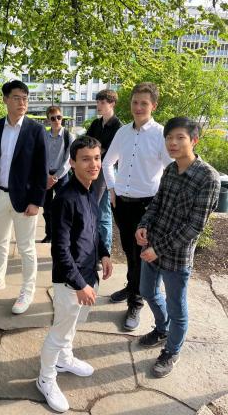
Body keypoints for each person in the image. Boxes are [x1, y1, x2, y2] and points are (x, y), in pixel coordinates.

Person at [136, 117, 220, 378]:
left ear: (194, 140)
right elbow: (157, 203)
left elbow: (194, 227)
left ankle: (172, 350)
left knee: (177, 306)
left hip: (176, 255)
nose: (172, 143)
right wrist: (143, 224)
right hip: (152, 245)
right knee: (147, 291)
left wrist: (157, 249)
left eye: (180, 137)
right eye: (169, 138)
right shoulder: (171, 169)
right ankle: (162, 329)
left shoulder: (208, 178)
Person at [37, 136, 113, 413]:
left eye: (96, 158)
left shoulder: (91, 191)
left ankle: (64, 359)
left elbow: (92, 231)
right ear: (72, 163)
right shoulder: (65, 199)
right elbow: (60, 249)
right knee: (59, 331)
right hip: (71, 281)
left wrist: (104, 253)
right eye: (86, 159)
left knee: (72, 327)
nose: (93, 164)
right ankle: (45, 378)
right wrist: (80, 284)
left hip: (87, 275)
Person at [0, 80, 48, 315]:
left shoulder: (36, 130)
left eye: (25, 98)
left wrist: (37, 201)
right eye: (17, 97)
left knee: (26, 248)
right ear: (5, 99)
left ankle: (27, 290)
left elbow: (41, 168)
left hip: (25, 200)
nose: (22, 102)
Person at [102, 82, 172, 331]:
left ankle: (136, 303)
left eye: (144, 103)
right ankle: (132, 287)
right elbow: (107, 162)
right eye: (135, 102)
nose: (138, 107)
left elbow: (170, 172)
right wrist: (111, 189)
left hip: (147, 207)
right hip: (122, 204)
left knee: (141, 257)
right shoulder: (122, 132)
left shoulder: (161, 135)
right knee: (130, 253)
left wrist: (161, 204)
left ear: (153, 105)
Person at [86, 89, 123, 252]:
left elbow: (112, 154)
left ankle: (105, 252)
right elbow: (87, 143)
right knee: (91, 210)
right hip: (92, 172)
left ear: (112, 103)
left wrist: (98, 151)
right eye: (97, 102)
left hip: (107, 175)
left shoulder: (118, 126)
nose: (98, 106)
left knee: (103, 214)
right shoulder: (96, 123)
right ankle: (92, 248)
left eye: (102, 102)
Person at [41, 105, 74, 243]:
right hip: (46, 175)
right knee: (47, 208)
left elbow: (68, 160)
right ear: (48, 120)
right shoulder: (44, 136)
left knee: (63, 207)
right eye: (53, 118)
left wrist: (55, 177)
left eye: (59, 117)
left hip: (61, 177)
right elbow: (40, 157)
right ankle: (49, 234)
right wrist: (47, 175)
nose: (56, 120)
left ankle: (63, 235)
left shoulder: (68, 135)